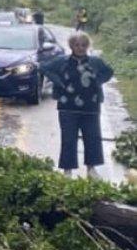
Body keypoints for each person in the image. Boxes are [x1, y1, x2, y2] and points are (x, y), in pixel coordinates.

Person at [41, 33, 113, 178]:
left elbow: (109, 71)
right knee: (68, 139)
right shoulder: (62, 61)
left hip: (90, 107)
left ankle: (91, 169)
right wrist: (58, 81)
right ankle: (67, 171)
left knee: (92, 137)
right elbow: (43, 68)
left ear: (87, 46)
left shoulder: (95, 61)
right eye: (77, 45)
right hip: (67, 107)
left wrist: (98, 81)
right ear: (71, 46)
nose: (80, 48)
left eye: (83, 45)